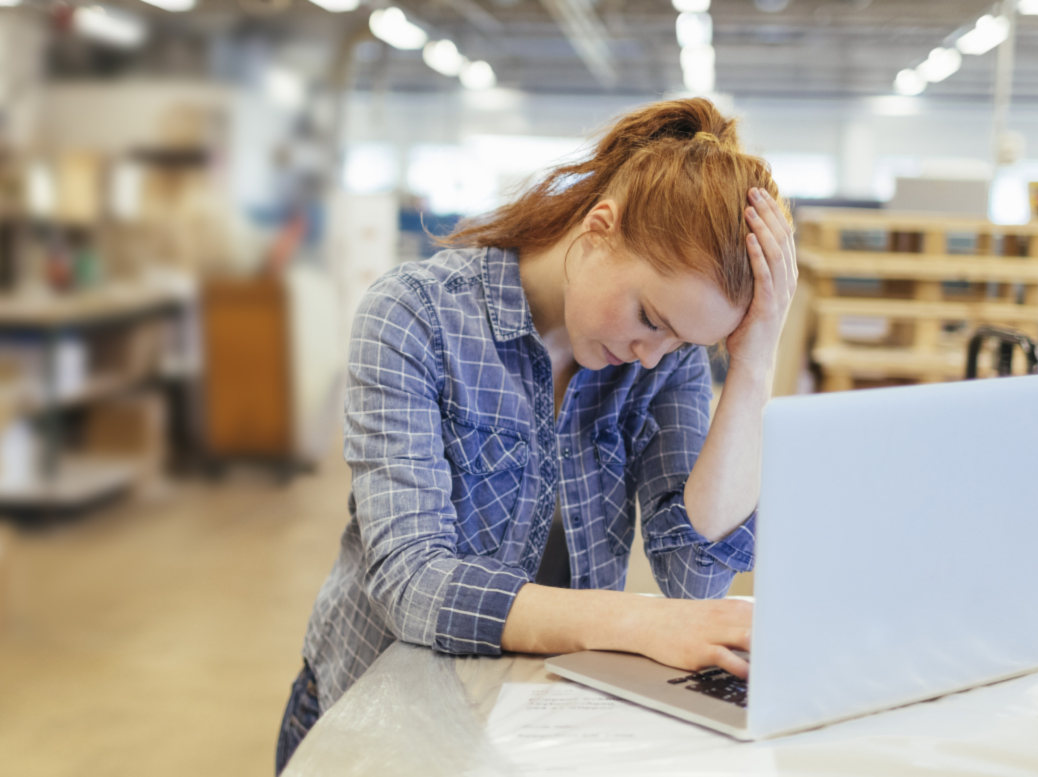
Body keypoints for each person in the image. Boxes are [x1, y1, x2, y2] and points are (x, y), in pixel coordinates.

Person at [276, 97, 797, 773]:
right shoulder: (415, 317)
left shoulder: (664, 360)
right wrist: (638, 622)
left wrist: (754, 364)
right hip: (382, 722)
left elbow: (695, 578)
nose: (650, 354)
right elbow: (413, 584)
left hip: (536, 719)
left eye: (680, 340)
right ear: (601, 226)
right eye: (649, 316)